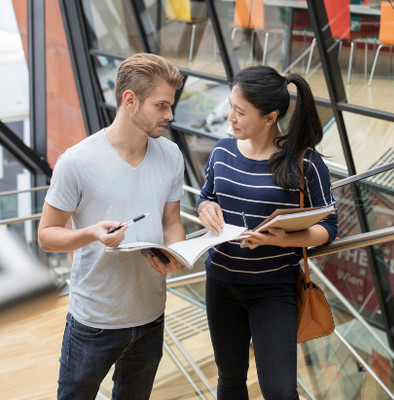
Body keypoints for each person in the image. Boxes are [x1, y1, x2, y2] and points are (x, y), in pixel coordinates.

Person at [38, 52, 187, 400]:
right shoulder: (76, 162)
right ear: (130, 100)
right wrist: (90, 233)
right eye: (161, 105)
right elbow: (46, 236)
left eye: (170, 105)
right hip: (94, 320)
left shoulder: (171, 155)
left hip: (151, 314)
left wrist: (176, 253)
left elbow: (172, 221)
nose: (170, 115)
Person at [197, 65, 338, 400]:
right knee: (230, 380)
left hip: (273, 291)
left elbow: (329, 227)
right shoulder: (221, 152)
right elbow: (206, 196)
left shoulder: (306, 164)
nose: (229, 116)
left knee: (279, 392)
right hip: (220, 284)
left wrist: (285, 240)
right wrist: (206, 209)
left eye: (240, 111)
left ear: (270, 116)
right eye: (230, 105)